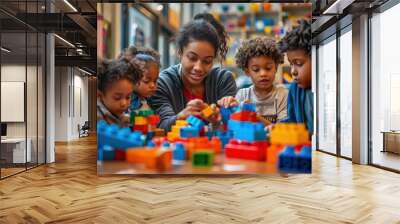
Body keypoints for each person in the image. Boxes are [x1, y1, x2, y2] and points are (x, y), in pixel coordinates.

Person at [149, 13, 237, 131]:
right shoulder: (162, 83)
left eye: (207, 61)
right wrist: (180, 117)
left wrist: (228, 114)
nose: (198, 67)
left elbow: (233, 127)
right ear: (180, 53)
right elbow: (160, 126)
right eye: (192, 58)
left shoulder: (223, 80)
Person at [218, 37, 288, 125]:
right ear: (247, 72)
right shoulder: (242, 95)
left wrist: (254, 116)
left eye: (268, 68)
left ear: (276, 68)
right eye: (256, 69)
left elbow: (282, 129)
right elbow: (233, 123)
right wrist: (228, 105)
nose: (263, 74)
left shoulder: (283, 95)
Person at [278, 19, 313, 134]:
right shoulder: (295, 89)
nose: (293, 71)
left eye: (298, 64)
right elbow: (292, 122)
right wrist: (278, 128)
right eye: (291, 64)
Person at [97, 58, 142, 127]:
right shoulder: (97, 117)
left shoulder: (125, 113)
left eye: (128, 97)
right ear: (100, 95)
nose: (124, 103)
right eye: (117, 98)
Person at [119, 46, 161, 111]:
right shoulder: (130, 99)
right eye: (146, 81)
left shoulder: (149, 98)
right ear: (132, 79)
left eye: (155, 81)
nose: (152, 85)